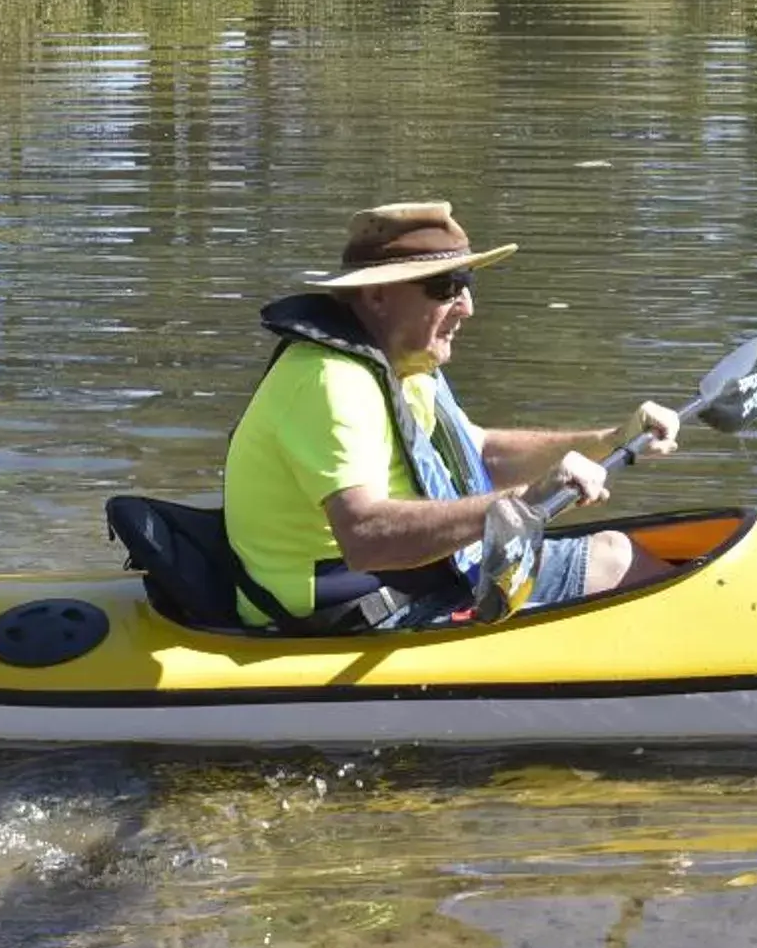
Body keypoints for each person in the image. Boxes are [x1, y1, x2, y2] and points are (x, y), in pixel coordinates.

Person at [222, 202, 680, 631]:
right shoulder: (329, 381)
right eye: (446, 288)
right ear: (378, 295)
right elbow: (364, 536)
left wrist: (610, 437)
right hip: (355, 610)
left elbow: (477, 453)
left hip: (424, 574)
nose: (467, 307)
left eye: (467, 284)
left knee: (618, 558)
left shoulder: (405, 361)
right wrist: (518, 502)